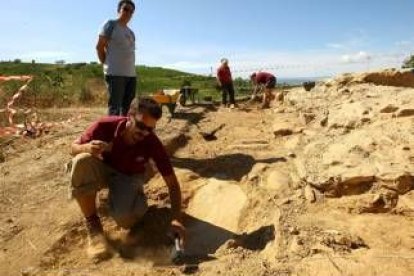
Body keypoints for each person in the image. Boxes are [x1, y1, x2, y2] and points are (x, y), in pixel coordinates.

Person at [69, 97, 186, 259]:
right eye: (140, 126)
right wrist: (86, 147)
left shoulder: (152, 142)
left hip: (128, 176)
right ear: (129, 116)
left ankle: (135, 202)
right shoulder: (104, 126)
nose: (145, 133)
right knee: (81, 161)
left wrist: (176, 219)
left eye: (150, 129)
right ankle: (93, 226)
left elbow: (172, 184)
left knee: (126, 219)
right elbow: (73, 148)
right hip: (103, 169)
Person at [96, 0, 137, 116]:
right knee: (115, 108)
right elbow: (99, 47)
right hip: (115, 74)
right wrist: (106, 64)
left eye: (131, 11)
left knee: (128, 108)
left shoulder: (131, 32)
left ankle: (123, 132)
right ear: (119, 10)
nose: (129, 13)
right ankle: (111, 133)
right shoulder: (110, 24)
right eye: (126, 9)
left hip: (131, 75)